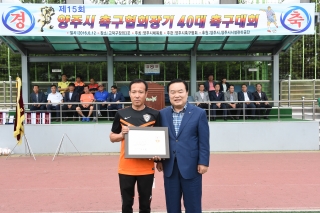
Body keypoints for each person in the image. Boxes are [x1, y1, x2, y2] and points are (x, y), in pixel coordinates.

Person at [156, 79, 210, 213]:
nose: (177, 95)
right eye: (172, 92)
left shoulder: (199, 113)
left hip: (192, 167)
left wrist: (204, 162)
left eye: (180, 91)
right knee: (172, 206)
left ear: (187, 93)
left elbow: (204, 141)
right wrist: (159, 160)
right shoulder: (162, 114)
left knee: (193, 206)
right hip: (170, 167)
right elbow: (159, 139)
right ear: (169, 94)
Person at [109, 79, 161, 213]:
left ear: (146, 94)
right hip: (125, 168)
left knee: (145, 205)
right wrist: (121, 135)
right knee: (126, 205)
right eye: (134, 92)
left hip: (146, 169)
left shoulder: (155, 114)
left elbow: (159, 141)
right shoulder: (121, 114)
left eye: (140, 92)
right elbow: (112, 137)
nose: (137, 95)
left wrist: (159, 158)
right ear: (130, 94)